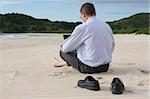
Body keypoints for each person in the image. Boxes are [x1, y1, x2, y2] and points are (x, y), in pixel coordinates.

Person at [54, 2, 115, 74]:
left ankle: (69, 63)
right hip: (105, 67)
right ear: (94, 13)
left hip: (88, 68)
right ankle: (68, 63)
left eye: (81, 17)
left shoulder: (83, 27)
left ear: (84, 15)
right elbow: (112, 45)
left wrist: (65, 43)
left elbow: (65, 49)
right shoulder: (107, 26)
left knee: (62, 52)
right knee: (84, 46)